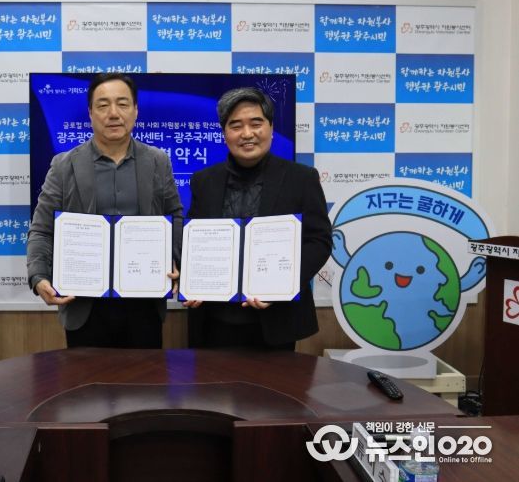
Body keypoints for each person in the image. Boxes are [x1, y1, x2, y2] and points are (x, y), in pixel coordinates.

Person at [27, 73, 182, 348]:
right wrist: (38, 277)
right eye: (103, 105)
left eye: (122, 104)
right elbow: (41, 229)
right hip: (84, 306)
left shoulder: (158, 161)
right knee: (85, 377)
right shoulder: (64, 165)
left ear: (135, 110)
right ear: (90, 112)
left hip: (143, 304)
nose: (113, 113)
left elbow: (175, 216)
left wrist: (175, 260)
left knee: (145, 377)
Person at [185, 87, 331, 350]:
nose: (247, 133)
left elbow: (318, 241)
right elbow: (194, 241)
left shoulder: (301, 178)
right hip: (214, 321)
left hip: (276, 319)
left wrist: (281, 285)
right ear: (224, 133)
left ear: (271, 128)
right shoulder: (204, 181)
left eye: (256, 123)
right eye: (236, 125)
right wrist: (190, 279)